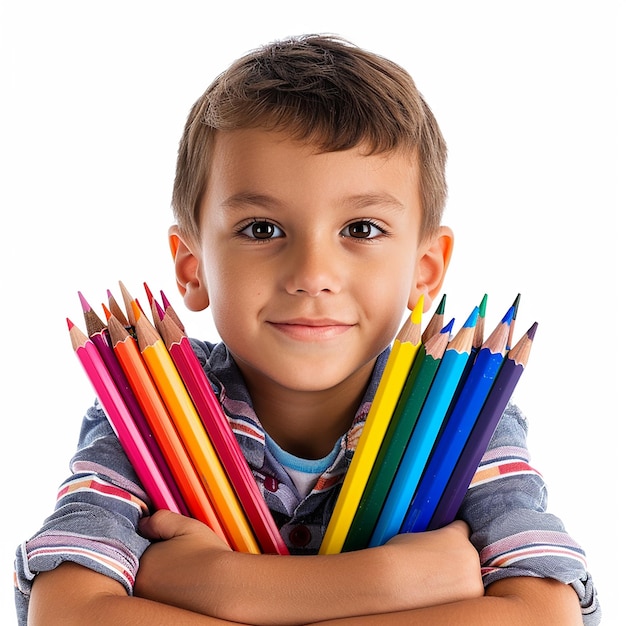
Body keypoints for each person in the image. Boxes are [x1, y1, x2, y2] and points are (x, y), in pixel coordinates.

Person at [15, 34, 600, 625]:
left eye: (363, 229)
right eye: (262, 229)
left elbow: (546, 613)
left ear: (426, 271)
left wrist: (217, 585)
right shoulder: (145, 409)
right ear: (192, 267)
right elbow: (65, 613)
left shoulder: (464, 417)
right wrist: (399, 579)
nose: (313, 275)